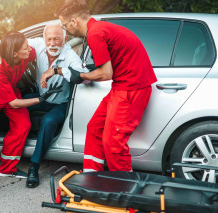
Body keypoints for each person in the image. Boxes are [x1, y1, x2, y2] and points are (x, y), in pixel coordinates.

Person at [55, 1, 157, 172]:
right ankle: (92, 175)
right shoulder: (100, 28)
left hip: (131, 89)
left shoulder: (95, 33)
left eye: (64, 26)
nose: (66, 30)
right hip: (123, 86)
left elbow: (105, 73)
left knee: (113, 142)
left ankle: (123, 187)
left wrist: (80, 75)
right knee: (95, 127)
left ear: (73, 21)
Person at [0, 22, 88, 188]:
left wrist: (57, 70)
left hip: (61, 103)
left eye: (57, 39)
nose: (52, 43)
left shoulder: (70, 56)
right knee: (11, 108)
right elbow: (11, 44)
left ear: (65, 39)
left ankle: (34, 167)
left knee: (49, 121)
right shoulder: (37, 44)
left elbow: (82, 76)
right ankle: (7, 146)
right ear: (44, 38)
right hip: (41, 97)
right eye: (49, 39)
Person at [0, 31, 61, 199]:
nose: (30, 50)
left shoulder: (25, 54)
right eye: (26, 48)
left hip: (10, 91)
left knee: (23, 124)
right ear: (14, 53)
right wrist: (39, 99)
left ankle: (7, 168)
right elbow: (13, 103)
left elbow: (40, 48)